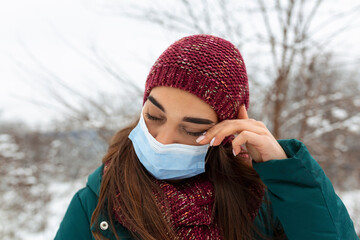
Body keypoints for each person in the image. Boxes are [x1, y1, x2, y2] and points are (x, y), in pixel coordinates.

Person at [54, 34, 358, 240]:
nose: (164, 138)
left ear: (226, 132)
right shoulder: (96, 204)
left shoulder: (263, 202)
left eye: (192, 129)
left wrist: (286, 174)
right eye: (154, 117)